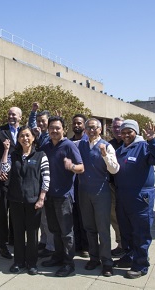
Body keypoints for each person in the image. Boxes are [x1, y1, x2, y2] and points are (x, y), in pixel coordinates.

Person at [112, 120, 155, 279]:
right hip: (123, 197)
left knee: (140, 232)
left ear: (135, 132)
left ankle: (141, 265)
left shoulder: (143, 146)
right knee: (126, 231)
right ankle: (130, 257)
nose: (126, 135)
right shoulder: (121, 149)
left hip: (140, 198)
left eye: (129, 131)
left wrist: (152, 140)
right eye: (123, 132)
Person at [0, 126, 50, 276]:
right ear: (18, 138)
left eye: (28, 135)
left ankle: (32, 263)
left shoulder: (41, 155)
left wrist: (41, 198)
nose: (25, 138)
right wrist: (6, 150)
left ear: (33, 138)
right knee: (18, 233)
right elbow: (4, 169)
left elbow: (46, 178)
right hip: (15, 201)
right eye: (22, 136)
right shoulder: (13, 155)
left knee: (33, 234)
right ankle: (18, 262)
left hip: (33, 202)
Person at [40, 116, 84, 277]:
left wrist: (71, 166)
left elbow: (81, 167)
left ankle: (68, 263)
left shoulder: (69, 146)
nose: (54, 130)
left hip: (64, 196)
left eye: (57, 128)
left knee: (66, 232)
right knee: (54, 230)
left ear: (64, 129)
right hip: (49, 196)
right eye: (52, 128)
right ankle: (57, 257)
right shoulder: (46, 147)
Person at [77, 118, 119, 277]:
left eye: (94, 128)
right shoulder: (80, 144)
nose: (91, 130)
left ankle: (107, 262)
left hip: (101, 192)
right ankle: (94, 258)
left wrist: (104, 155)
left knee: (103, 229)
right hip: (84, 192)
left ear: (100, 130)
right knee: (89, 227)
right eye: (88, 128)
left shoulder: (107, 146)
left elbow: (114, 170)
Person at [0, 107, 23, 260]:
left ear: (20, 117)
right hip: (3, 178)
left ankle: (14, 240)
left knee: (16, 212)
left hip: (19, 179)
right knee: (2, 212)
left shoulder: (25, 132)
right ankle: (2, 245)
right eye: (9, 114)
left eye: (14, 114)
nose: (11, 116)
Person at [28, 102, 54, 257]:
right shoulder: (38, 134)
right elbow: (31, 126)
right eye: (39, 121)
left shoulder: (48, 137)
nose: (41, 124)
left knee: (48, 218)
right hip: (38, 180)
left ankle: (51, 246)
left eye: (43, 121)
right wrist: (33, 112)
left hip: (48, 179)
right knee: (42, 217)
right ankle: (44, 242)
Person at [69, 114, 89, 258]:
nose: (77, 125)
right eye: (74, 123)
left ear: (85, 125)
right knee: (73, 216)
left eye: (79, 123)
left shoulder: (89, 142)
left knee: (85, 217)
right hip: (71, 185)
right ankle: (77, 244)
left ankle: (86, 247)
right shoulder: (68, 143)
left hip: (86, 185)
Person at [108, 117, 125, 257]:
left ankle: (131, 246)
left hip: (128, 187)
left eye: (119, 127)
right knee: (114, 217)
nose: (117, 129)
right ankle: (121, 244)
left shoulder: (131, 144)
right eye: (114, 127)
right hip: (112, 186)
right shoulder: (109, 145)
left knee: (128, 218)